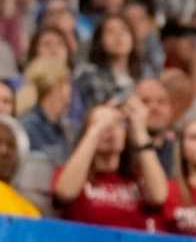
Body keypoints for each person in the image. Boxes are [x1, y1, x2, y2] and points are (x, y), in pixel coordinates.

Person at [52, 95, 168, 229]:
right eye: (101, 123)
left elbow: (159, 196)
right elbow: (65, 193)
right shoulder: (71, 174)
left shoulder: (138, 178)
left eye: (117, 124)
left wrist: (139, 130)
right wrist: (95, 130)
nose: (110, 130)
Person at [75, 12, 145, 112]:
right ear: (100, 41)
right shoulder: (89, 75)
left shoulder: (143, 77)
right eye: (110, 31)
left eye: (124, 30)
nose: (118, 36)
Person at [16, 56, 74, 163]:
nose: (71, 91)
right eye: (67, 83)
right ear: (55, 86)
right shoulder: (28, 126)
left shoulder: (62, 128)